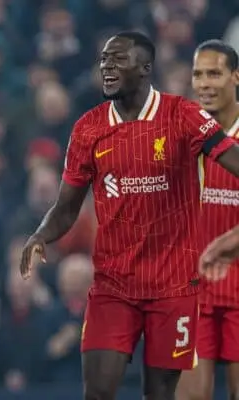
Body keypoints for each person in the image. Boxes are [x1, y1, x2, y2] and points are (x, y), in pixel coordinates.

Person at [19, 31, 239, 400]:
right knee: (99, 392)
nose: (107, 67)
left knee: (160, 394)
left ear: (145, 68)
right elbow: (67, 206)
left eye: (118, 60)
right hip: (113, 287)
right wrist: (40, 234)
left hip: (173, 287)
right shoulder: (88, 128)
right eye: (104, 60)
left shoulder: (183, 116)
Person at [176, 40, 239, 400]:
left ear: (236, 77)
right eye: (198, 74)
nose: (204, 83)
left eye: (214, 73)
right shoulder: (179, 136)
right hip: (192, 290)